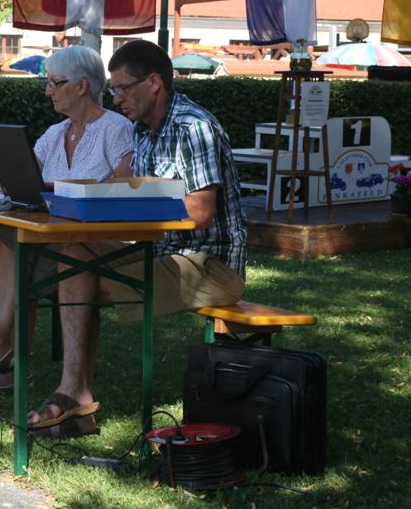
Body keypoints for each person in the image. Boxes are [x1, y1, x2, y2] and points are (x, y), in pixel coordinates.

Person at [26, 39, 247, 436]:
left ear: (155, 83)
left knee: (80, 273)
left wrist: (138, 200)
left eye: (122, 88)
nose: (114, 97)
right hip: (161, 251)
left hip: (210, 266)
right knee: (74, 254)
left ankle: (74, 398)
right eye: (112, 89)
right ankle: (73, 393)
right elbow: (126, 191)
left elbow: (199, 211)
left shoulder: (192, 127)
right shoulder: (144, 130)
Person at [0, 45, 134, 391]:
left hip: (99, 243)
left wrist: (56, 188)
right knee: (11, 239)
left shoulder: (116, 128)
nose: (47, 91)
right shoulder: (54, 134)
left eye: (54, 82)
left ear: (82, 86)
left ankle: (0, 356)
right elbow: (26, 180)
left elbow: (121, 187)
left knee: (14, 243)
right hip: (52, 240)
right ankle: (1, 355)